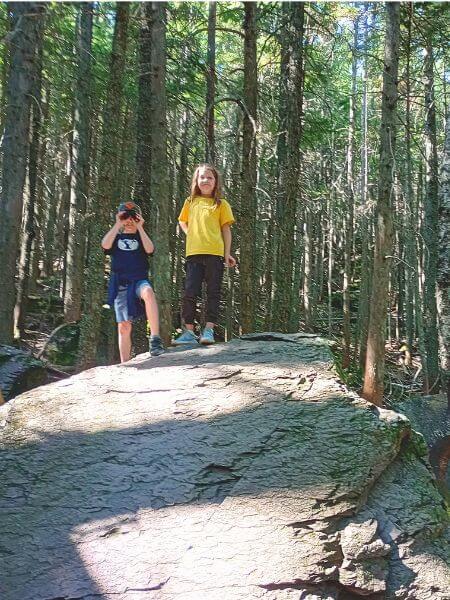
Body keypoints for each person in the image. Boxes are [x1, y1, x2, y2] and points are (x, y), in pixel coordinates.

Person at [173, 164, 236, 346]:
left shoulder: (221, 204)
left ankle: (208, 330)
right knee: (190, 292)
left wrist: (227, 254)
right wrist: (192, 235)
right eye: (202, 177)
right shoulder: (190, 202)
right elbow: (182, 222)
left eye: (210, 177)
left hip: (215, 254)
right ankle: (189, 332)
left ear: (216, 182)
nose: (206, 181)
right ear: (196, 181)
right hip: (193, 253)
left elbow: (226, 230)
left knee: (213, 293)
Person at [102, 201, 165, 362]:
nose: (129, 221)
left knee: (148, 292)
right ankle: (125, 363)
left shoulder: (141, 237)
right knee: (124, 325)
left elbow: (150, 249)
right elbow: (105, 245)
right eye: (125, 216)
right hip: (121, 284)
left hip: (138, 281)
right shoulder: (115, 237)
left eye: (132, 217)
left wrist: (140, 227)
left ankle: (155, 339)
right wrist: (118, 224)